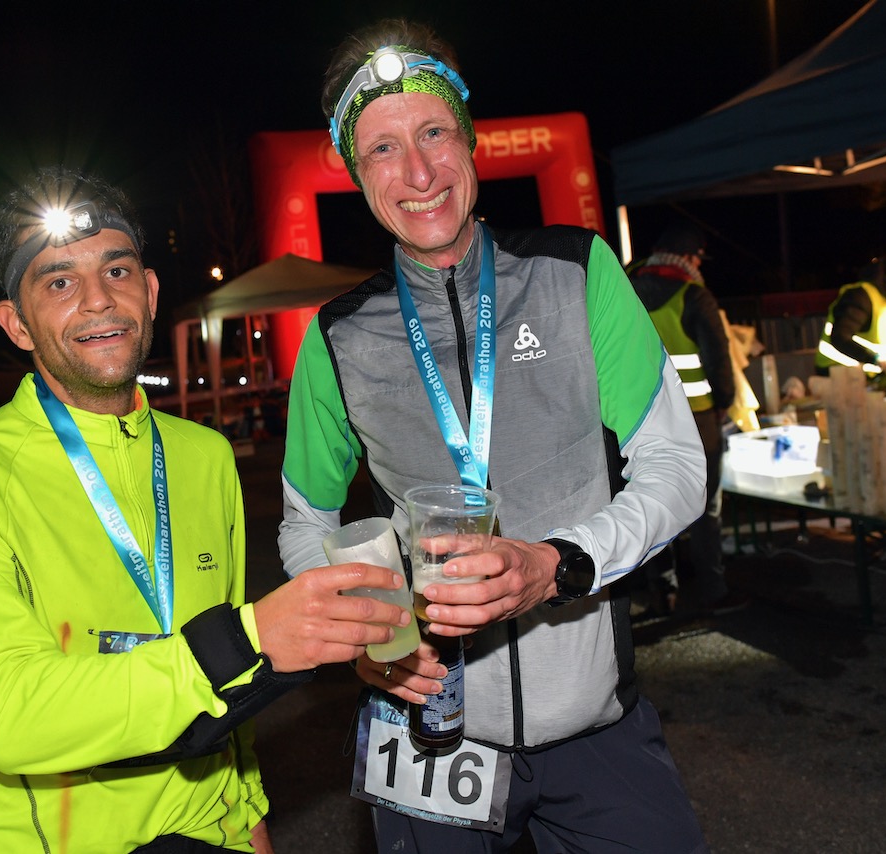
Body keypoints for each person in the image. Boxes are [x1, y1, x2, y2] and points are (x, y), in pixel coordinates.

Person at [278, 19, 710, 853]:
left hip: (595, 729)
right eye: (383, 150)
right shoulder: (339, 337)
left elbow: (675, 465)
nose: (418, 172)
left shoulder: (576, 271)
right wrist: (369, 631)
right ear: (356, 174)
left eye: (434, 132)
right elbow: (306, 522)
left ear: (471, 141)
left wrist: (559, 562)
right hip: (427, 733)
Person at [0, 166, 414, 854]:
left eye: (116, 272)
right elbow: (11, 715)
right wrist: (250, 637)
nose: (96, 301)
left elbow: (230, 698)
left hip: (212, 831)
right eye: (58, 282)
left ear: (147, 291)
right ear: (17, 324)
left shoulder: (205, 455)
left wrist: (251, 819)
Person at [629, 221, 741, 616]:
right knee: (705, 506)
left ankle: (663, 592)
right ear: (689, 258)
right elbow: (718, 361)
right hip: (698, 421)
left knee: (653, 503)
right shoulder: (695, 296)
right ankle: (713, 591)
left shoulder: (626, 290)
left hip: (640, 421)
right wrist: (725, 401)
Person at [814, 257, 886, 381]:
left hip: (872, 375)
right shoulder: (860, 296)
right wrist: (875, 358)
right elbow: (840, 337)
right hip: (836, 373)